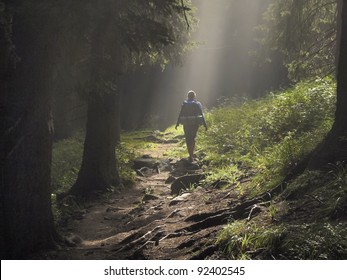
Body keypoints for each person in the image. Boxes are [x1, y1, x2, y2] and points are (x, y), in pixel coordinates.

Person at [175, 90, 207, 162]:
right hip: (195, 123)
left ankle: (190, 155)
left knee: (187, 138)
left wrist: (177, 123)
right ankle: (192, 155)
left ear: (188, 96)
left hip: (186, 123)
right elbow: (201, 114)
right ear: (194, 96)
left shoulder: (184, 104)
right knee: (193, 138)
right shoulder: (197, 103)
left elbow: (180, 114)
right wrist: (205, 124)